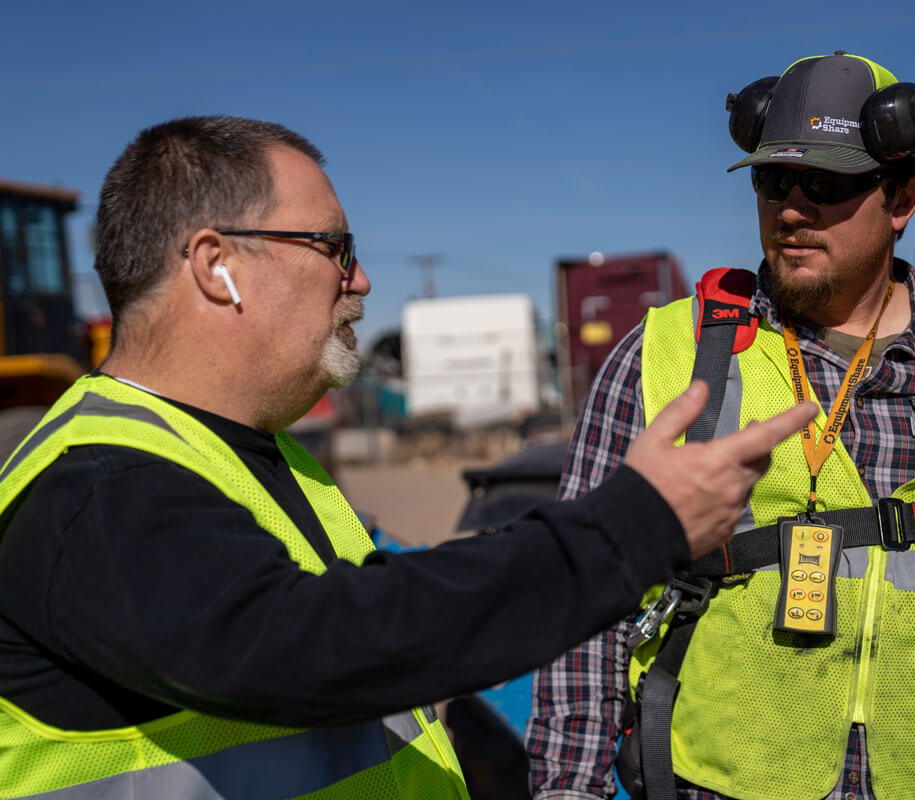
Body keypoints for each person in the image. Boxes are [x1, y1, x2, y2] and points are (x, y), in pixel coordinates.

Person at [0, 116, 817, 799]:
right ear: (219, 266)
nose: (359, 280)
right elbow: (325, 642)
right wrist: (633, 529)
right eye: (332, 245)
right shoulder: (101, 486)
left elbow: (382, 603)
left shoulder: (257, 455)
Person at [526, 53, 915, 800]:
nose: (791, 210)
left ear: (904, 197)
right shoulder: (665, 356)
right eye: (771, 181)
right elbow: (579, 605)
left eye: (825, 185)